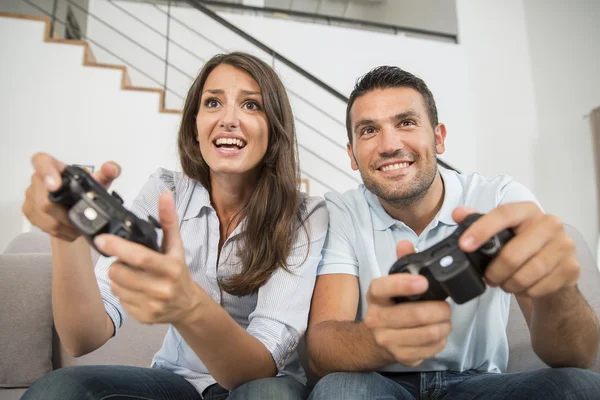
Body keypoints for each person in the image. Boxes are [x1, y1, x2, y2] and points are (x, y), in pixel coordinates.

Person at [20, 52, 328, 400]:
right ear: (194, 127)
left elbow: (258, 365)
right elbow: (83, 337)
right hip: (178, 382)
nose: (228, 119)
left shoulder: (304, 214)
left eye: (251, 106)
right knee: (58, 389)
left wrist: (187, 305)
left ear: (274, 130)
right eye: (213, 102)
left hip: (262, 382)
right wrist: (68, 234)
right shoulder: (165, 191)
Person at [305, 65, 600, 399]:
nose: (389, 145)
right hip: (379, 381)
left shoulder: (500, 200)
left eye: (406, 122)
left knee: (581, 387)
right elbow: (321, 346)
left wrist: (558, 290)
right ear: (352, 155)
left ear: (439, 137)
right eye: (369, 130)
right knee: (339, 390)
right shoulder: (342, 212)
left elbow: (577, 357)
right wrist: (378, 340)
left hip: (478, 382)